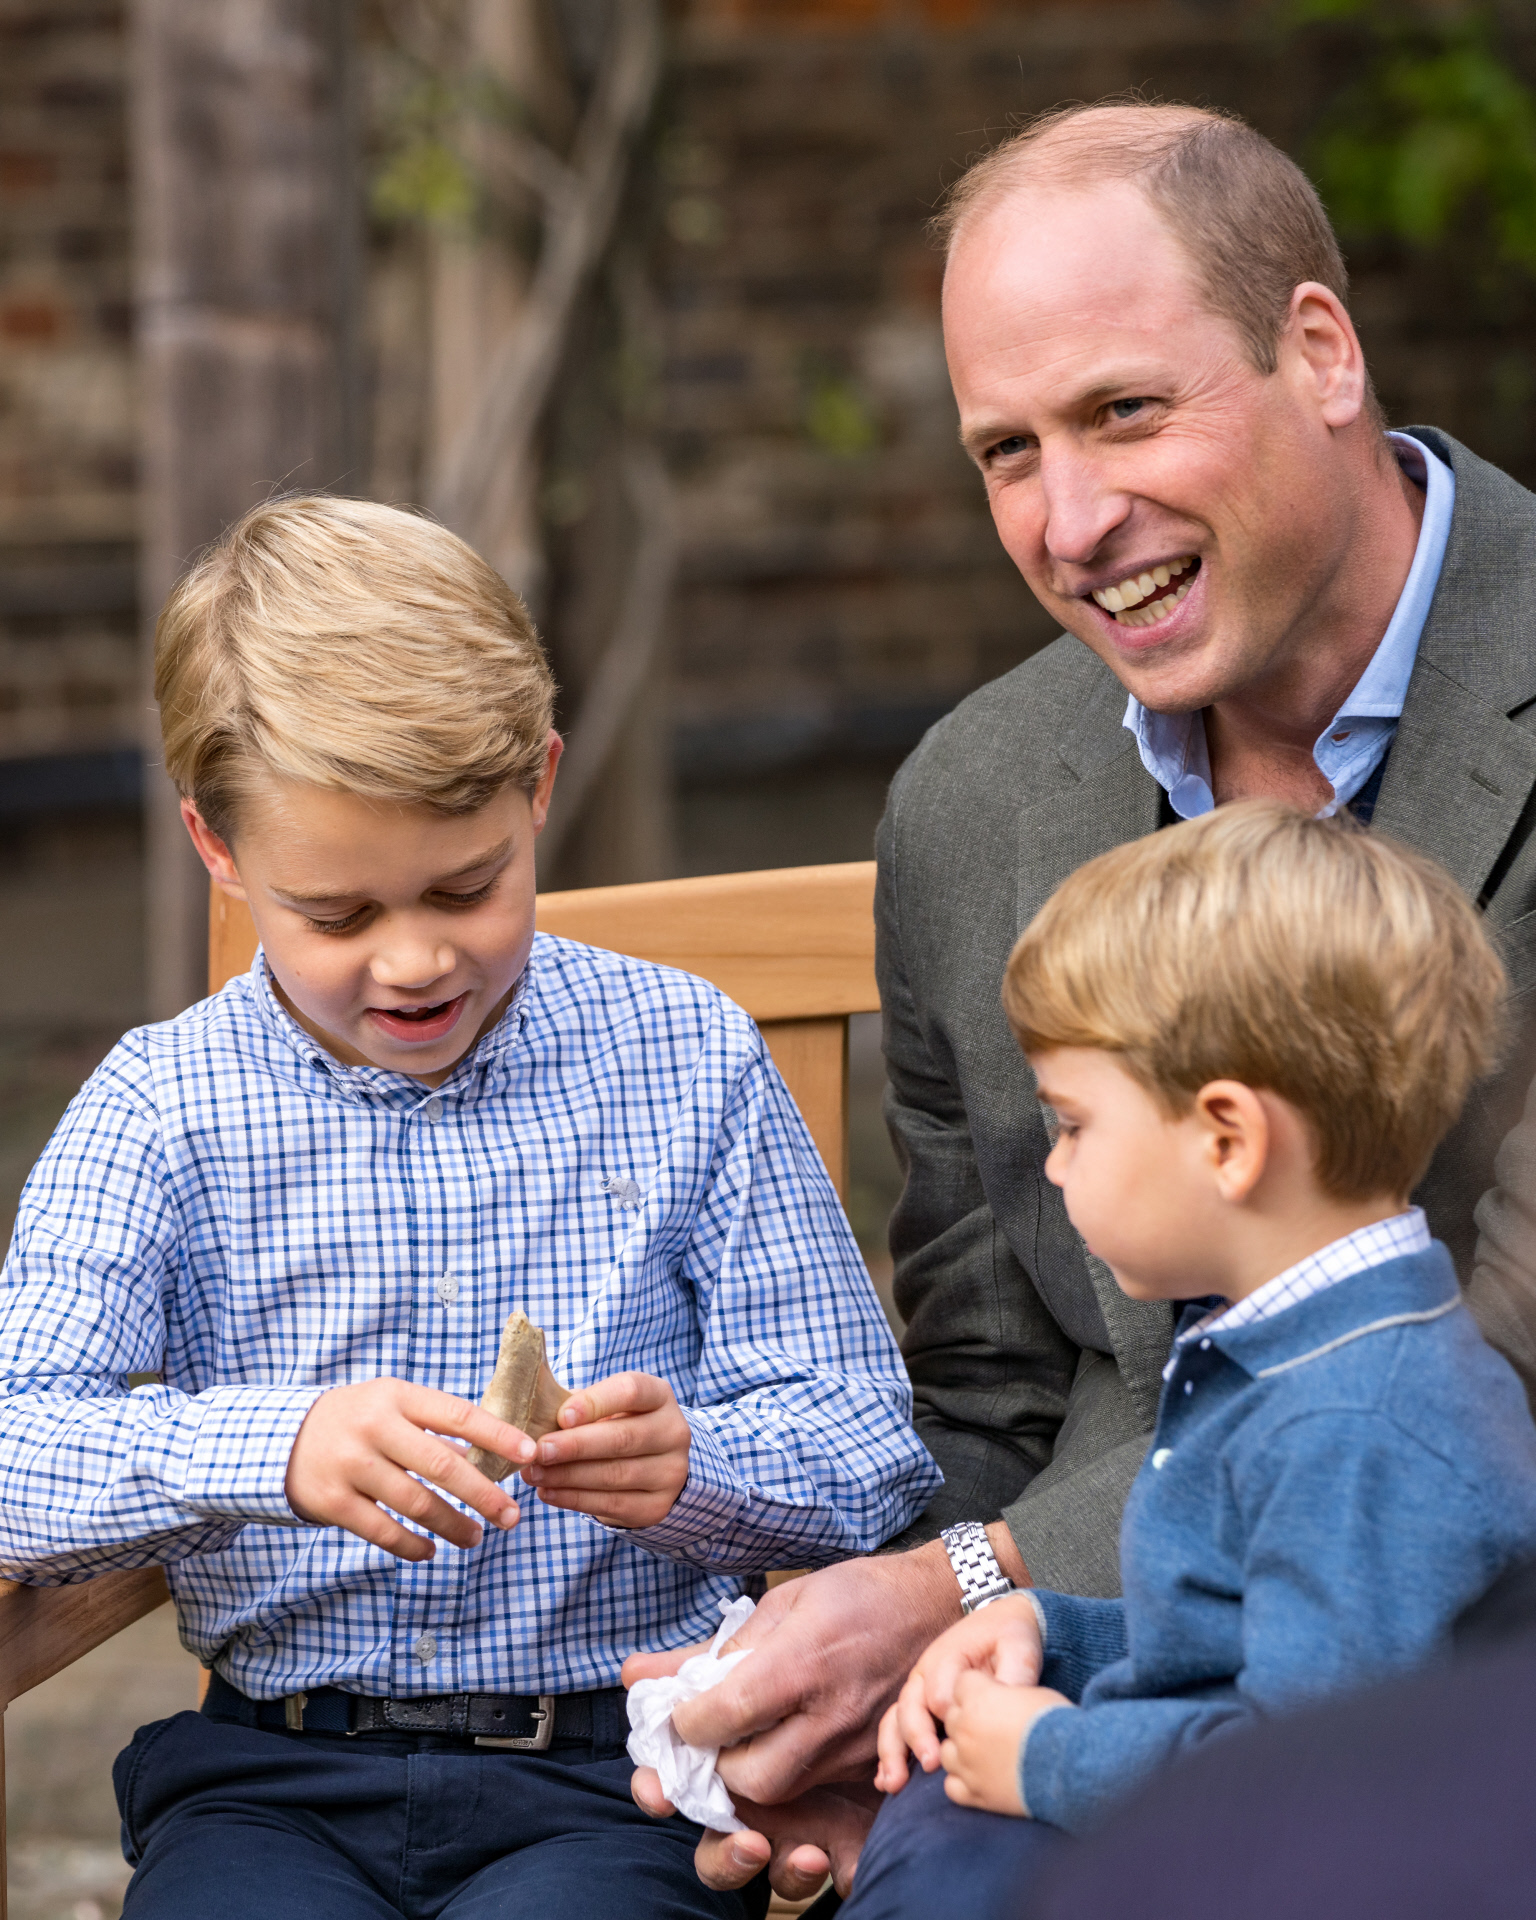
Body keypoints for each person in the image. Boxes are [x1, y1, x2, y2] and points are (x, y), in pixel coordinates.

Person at [627, 98, 1536, 1906]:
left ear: (1319, 350)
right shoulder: (974, 803)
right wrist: (899, 1713)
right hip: (1123, 1678)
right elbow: (991, 1387)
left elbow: (1509, 1350)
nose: (1070, 518)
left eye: (1125, 411)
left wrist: (960, 1605)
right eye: (1005, 451)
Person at [0, 495, 942, 1920]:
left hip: (610, 1778)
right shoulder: (162, 1110)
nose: (418, 957)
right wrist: (278, 1444)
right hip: (273, 1784)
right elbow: (18, 1448)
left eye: (470, 883)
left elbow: (869, 1451)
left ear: (541, 786)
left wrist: (695, 1475)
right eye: (337, 914)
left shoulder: (683, 1059)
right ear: (216, 846)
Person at [846, 801, 1536, 1916]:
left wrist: (1048, 1760)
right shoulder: (1296, 1353)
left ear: (1227, 1139)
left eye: (1073, 1124)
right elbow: (1245, 1640)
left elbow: (1314, 1772)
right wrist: (1053, 1628)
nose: (1057, 1170)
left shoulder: (1357, 1428)